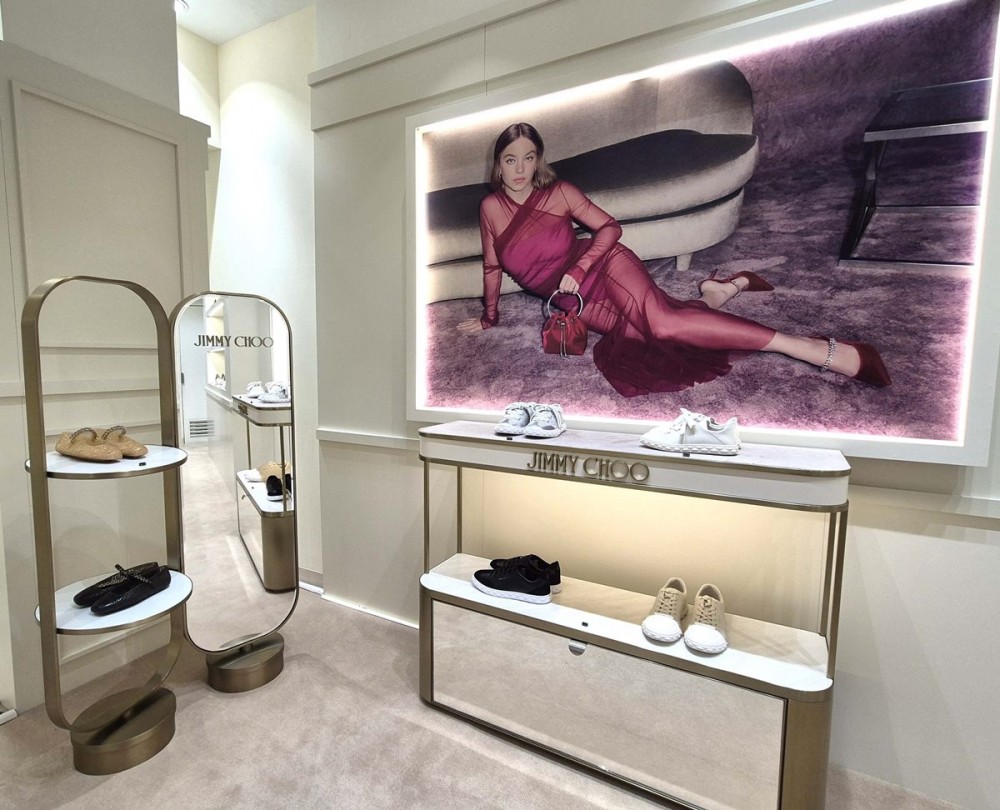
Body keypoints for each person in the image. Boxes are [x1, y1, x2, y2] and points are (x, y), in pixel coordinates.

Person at [457, 122, 890, 396]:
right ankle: (717, 292)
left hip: (603, 266)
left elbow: (610, 229)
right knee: (651, 337)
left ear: (538, 161)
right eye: (510, 160)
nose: (520, 169)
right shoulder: (489, 209)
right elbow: (492, 266)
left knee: (663, 323)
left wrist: (579, 266)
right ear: (498, 164)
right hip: (574, 301)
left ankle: (806, 347)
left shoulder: (559, 193)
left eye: (528, 158)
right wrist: (489, 317)